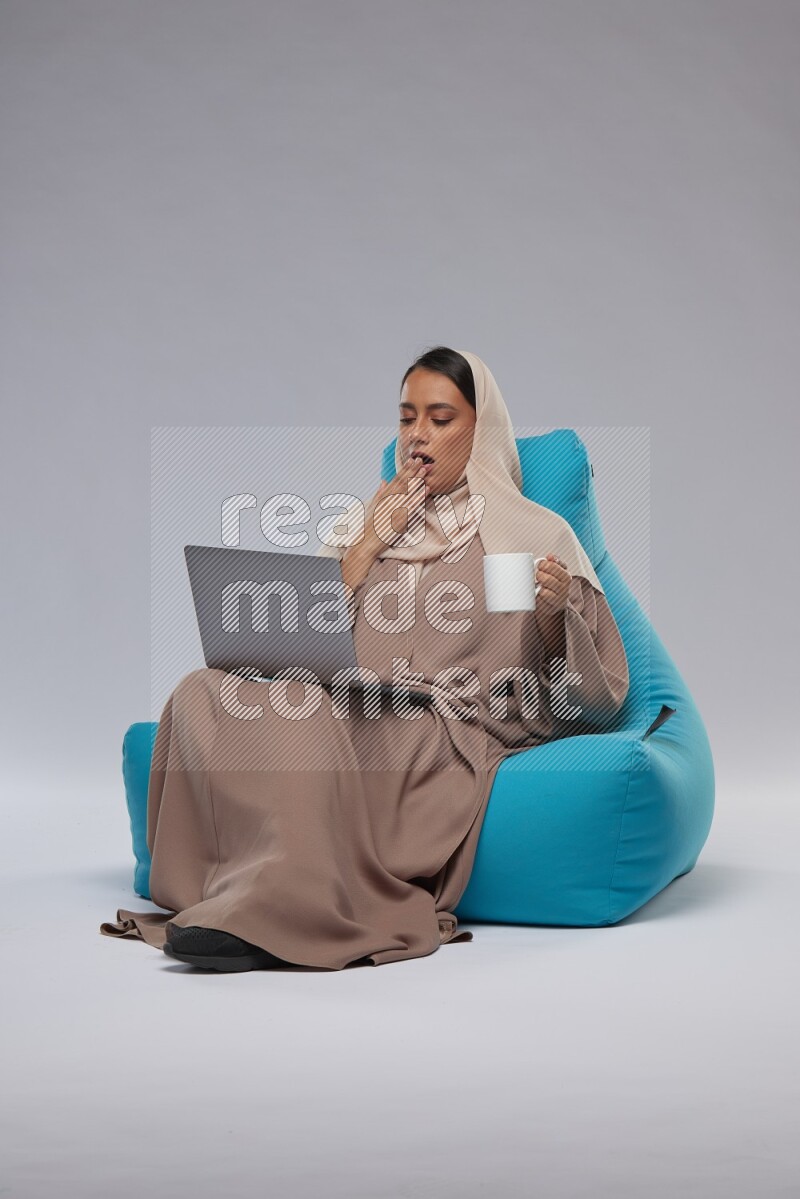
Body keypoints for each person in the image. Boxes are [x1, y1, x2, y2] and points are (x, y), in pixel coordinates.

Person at [100, 346, 629, 971]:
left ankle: (277, 909)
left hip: (438, 728)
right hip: (346, 700)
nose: (418, 435)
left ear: (480, 428)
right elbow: (299, 639)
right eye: (407, 418)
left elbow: (589, 702)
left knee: (302, 715)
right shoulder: (365, 525)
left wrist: (555, 616)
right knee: (202, 690)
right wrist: (370, 540)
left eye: (440, 418)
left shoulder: (529, 536)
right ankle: (228, 888)